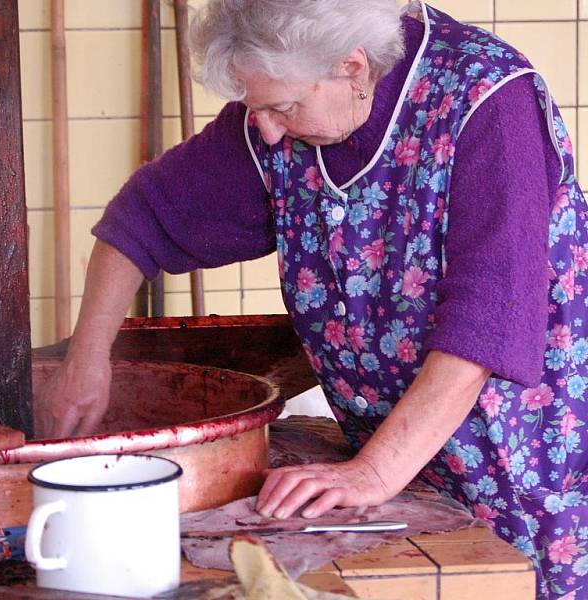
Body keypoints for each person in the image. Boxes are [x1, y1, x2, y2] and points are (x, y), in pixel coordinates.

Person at [41, 1, 588, 597]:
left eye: (282, 107)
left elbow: (489, 321)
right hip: (390, 453)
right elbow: (140, 220)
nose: (268, 129)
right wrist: (86, 358)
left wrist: (374, 472)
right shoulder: (284, 106)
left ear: (353, 67)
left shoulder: (487, 101)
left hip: (528, 451)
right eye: (256, 107)